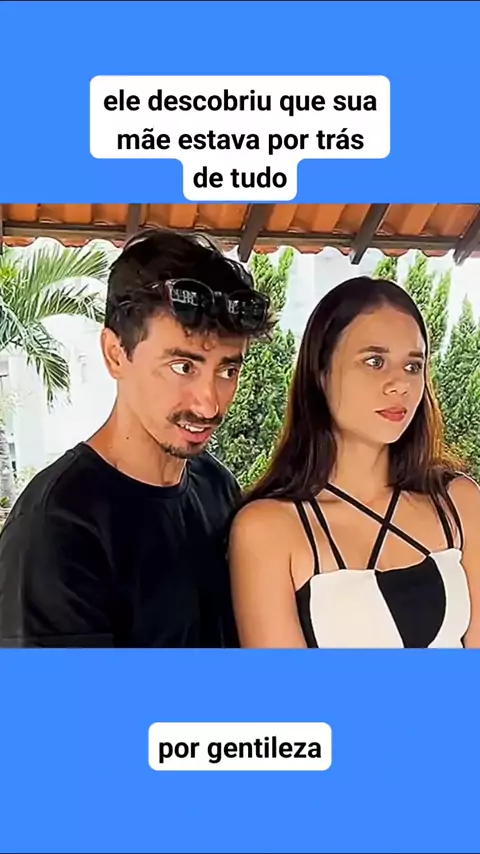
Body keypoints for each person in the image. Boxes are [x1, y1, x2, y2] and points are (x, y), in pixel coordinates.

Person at [0, 227, 274, 648]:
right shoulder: (56, 527)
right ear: (115, 354)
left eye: (227, 370)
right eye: (183, 367)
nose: (208, 404)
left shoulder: (216, 486)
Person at [229, 275, 480, 649]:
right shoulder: (267, 529)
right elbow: (284, 686)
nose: (400, 384)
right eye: (375, 361)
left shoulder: (459, 501)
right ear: (321, 372)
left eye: (413, 366)